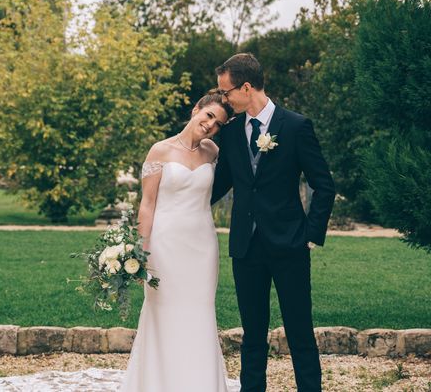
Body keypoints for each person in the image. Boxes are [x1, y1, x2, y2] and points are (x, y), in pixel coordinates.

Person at [211, 53, 336, 392]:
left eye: (227, 92)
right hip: (246, 247)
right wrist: (180, 203)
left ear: (247, 87)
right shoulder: (233, 131)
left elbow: (323, 184)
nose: (224, 99)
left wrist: (311, 235)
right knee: (253, 333)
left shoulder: (296, 126)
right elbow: (219, 184)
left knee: (299, 330)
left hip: (290, 245)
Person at [119, 92, 239, 392]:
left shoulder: (212, 151)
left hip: (202, 246)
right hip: (164, 245)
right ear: (196, 109)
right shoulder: (160, 150)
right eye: (208, 116)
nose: (211, 125)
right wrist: (141, 252)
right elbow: (147, 205)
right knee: (164, 313)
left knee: (199, 313)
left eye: (218, 123)